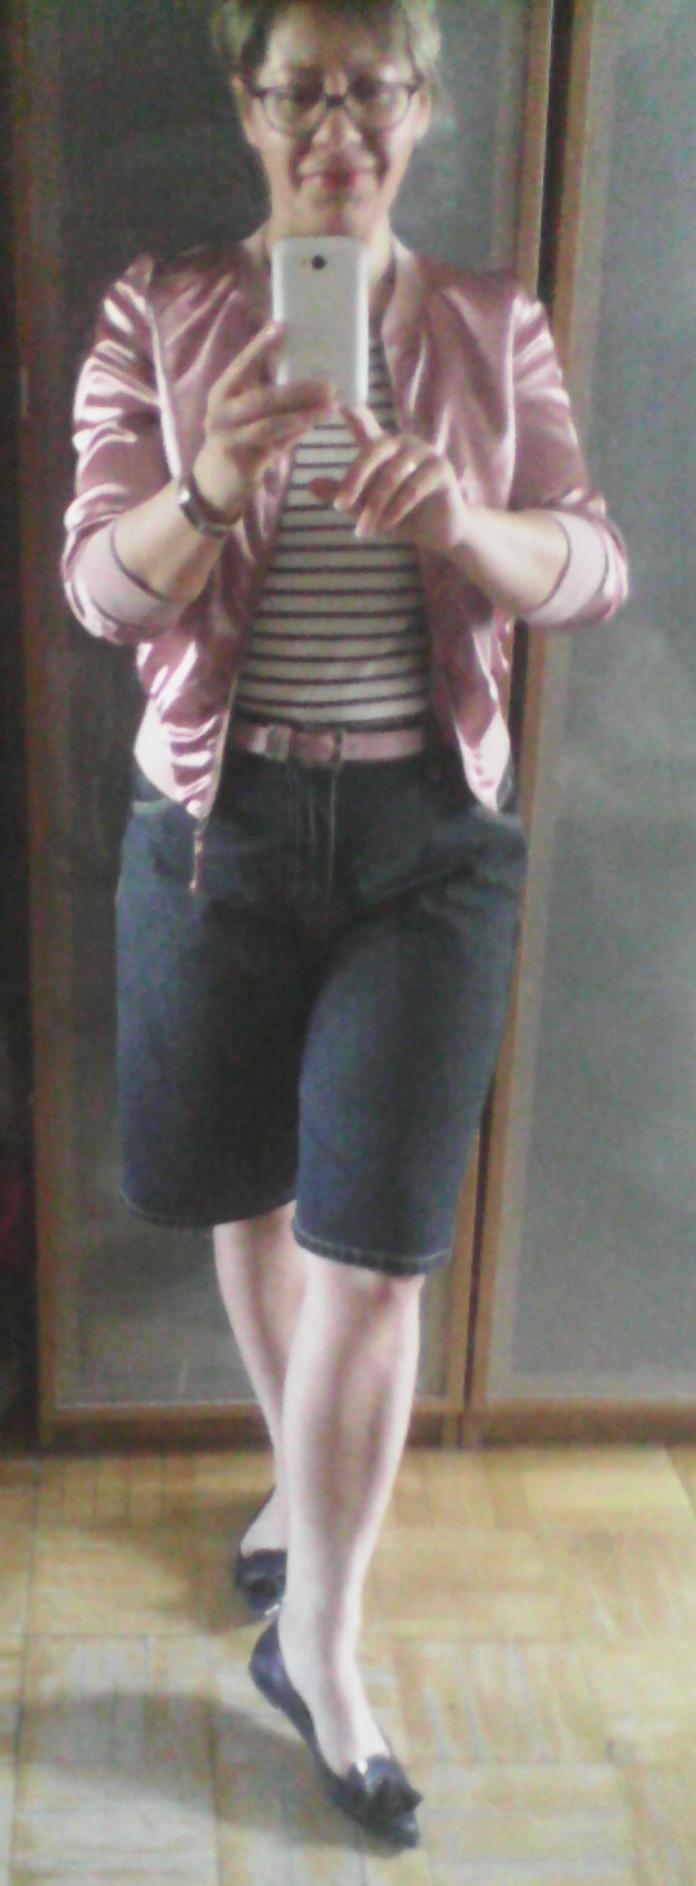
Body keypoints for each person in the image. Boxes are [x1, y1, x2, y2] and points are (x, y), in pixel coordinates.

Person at [61, 0, 628, 1848]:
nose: (337, 130)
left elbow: (591, 562)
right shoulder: (162, 311)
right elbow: (95, 590)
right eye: (300, 91)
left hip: (422, 839)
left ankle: (322, 1641)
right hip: (217, 835)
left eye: (373, 92)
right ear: (246, 107)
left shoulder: (487, 322)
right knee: (254, 1200)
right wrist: (212, 481)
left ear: (425, 110)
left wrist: (466, 522)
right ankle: (305, 1500)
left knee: (374, 1249)